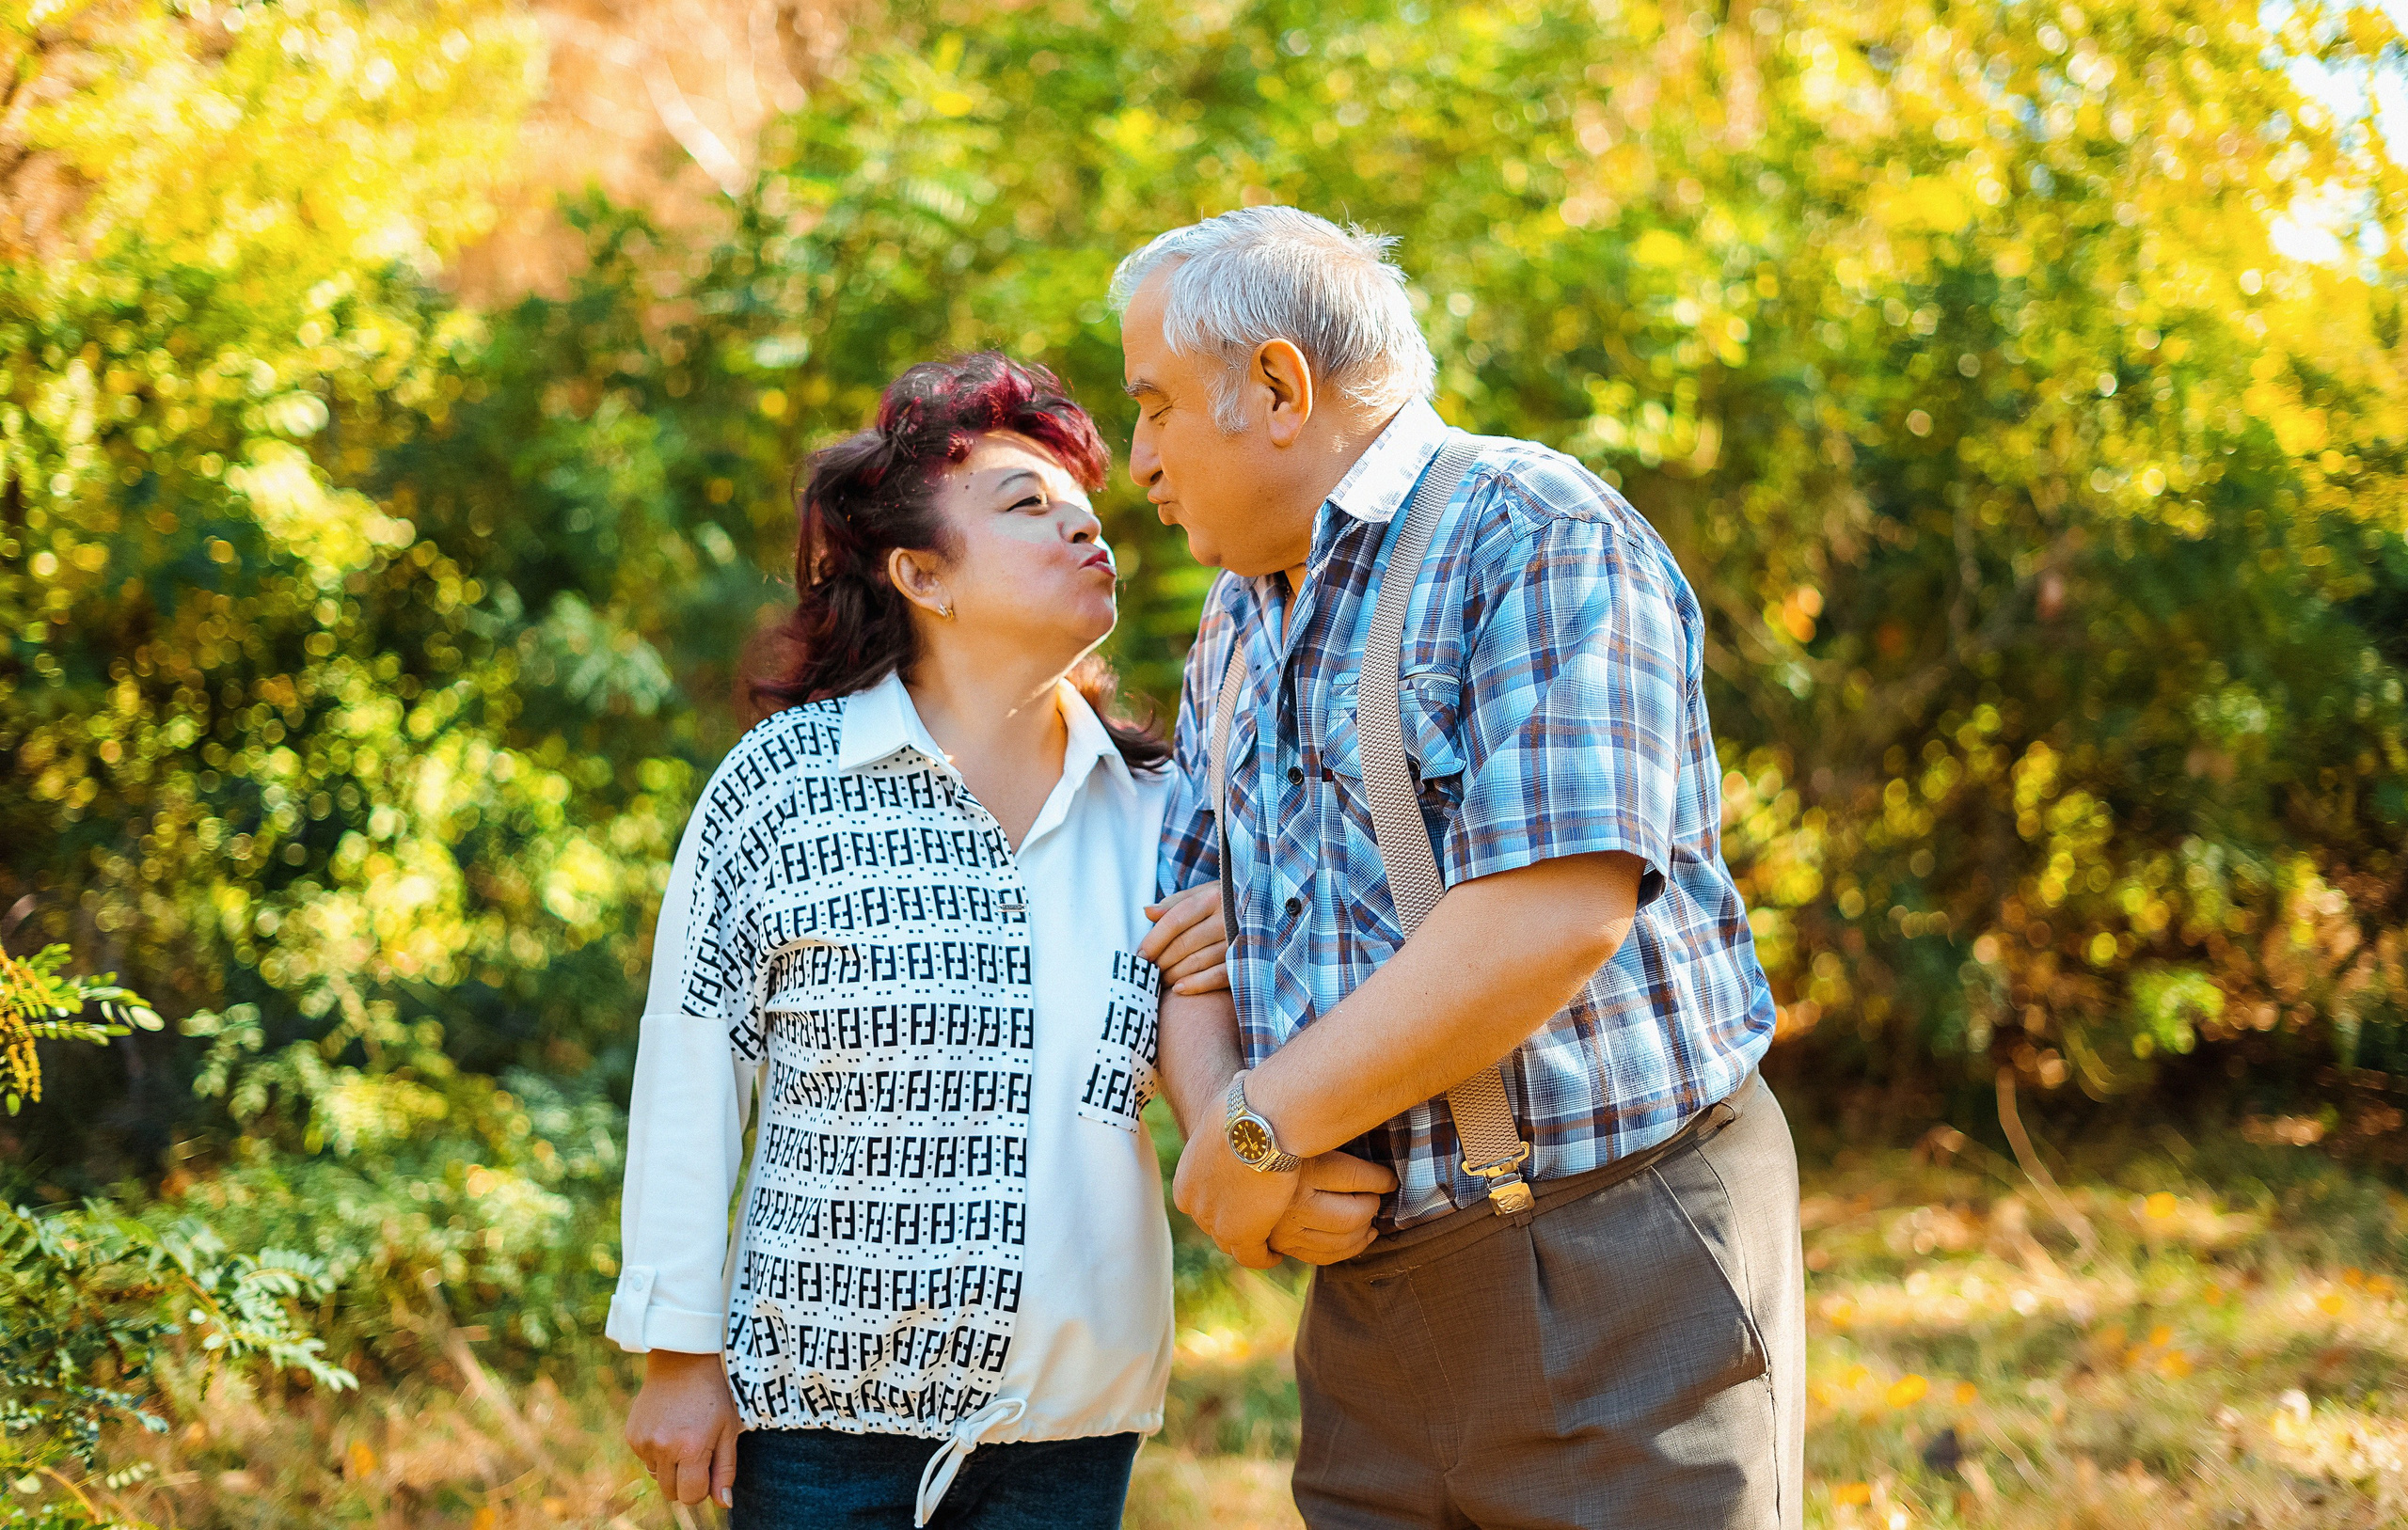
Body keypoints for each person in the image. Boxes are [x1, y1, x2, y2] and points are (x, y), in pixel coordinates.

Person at [1117, 207, 1806, 1530]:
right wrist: (1235, 1143)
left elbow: (1552, 914)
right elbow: (1188, 930)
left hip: (1612, 1255)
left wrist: (1260, 1124)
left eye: (1154, 408)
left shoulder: (1533, 531)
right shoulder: (1234, 619)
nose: (1139, 458)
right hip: (1373, 1295)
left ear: (1276, 386)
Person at [603, 352, 1270, 1529]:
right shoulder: (784, 790)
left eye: (1087, 514)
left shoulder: (1168, 815)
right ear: (921, 574)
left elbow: (1220, 1083)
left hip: (1070, 1429)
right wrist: (676, 1352)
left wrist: (1241, 954)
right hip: (818, 1422)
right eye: (1029, 508)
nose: (1085, 534)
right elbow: (691, 1066)